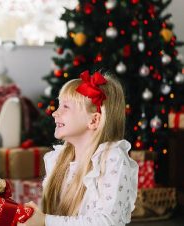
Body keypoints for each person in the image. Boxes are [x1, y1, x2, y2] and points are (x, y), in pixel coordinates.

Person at [19, 70, 138, 226]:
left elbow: (107, 221)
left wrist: (45, 221)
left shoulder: (112, 159)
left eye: (66, 107)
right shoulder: (59, 159)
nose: (55, 113)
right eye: (58, 105)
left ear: (94, 120)